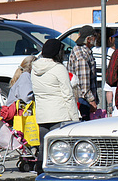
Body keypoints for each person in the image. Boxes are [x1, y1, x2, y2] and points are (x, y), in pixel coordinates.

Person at [31, 39, 80, 173]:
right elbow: (68, 95)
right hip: (59, 114)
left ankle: (40, 172)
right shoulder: (58, 68)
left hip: (42, 115)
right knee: (60, 147)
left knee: (43, 147)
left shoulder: (34, 68)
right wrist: (75, 118)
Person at [68, 25, 98, 120]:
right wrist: (91, 100)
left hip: (82, 99)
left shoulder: (83, 51)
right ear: (89, 39)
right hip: (82, 100)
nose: (96, 38)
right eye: (94, 36)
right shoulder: (82, 55)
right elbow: (83, 83)